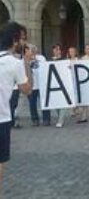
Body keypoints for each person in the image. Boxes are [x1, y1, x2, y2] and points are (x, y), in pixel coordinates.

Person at [0, 22, 32, 190]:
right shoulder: (14, 63)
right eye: (22, 39)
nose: (23, 43)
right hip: (1, 118)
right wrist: (26, 62)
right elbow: (27, 90)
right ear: (15, 40)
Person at [27, 44, 51, 126]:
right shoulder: (25, 59)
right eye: (31, 49)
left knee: (44, 102)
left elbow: (45, 67)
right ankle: (35, 120)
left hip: (42, 84)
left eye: (34, 49)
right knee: (32, 104)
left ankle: (46, 119)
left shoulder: (41, 58)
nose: (33, 51)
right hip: (31, 85)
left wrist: (35, 59)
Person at [50, 44, 69, 128]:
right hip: (54, 84)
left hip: (64, 83)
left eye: (58, 49)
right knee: (56, 102)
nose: (57, 51)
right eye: (55, 49)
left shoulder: (65, 60)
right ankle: (60, 117)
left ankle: (60, 120)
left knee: (63, 102)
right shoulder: (50, 60)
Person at [77, 43, 89, 123]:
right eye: (86, 49)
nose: (88, 50)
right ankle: (84, 117)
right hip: (86, 80)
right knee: (85, 99)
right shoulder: (82, 59)